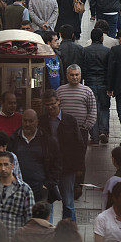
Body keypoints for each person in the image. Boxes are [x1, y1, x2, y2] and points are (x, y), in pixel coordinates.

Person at [41, 90, 87, 221]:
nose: (50, 107)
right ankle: (47, 231)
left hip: (67, 168)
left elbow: (79, 145)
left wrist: (80, 168)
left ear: (58, 101)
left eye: (52, 104)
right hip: (48, 169)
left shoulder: (70, 120)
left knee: (68, 202)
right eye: (47, 105)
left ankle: (69, 231)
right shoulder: (42, 121)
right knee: (47, 202)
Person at [8, 109, 61, 204]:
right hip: (18, 192)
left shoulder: (47, 140)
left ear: (37, 122)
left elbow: (57, 164)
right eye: (25, 121)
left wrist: (48, 185)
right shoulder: (13, 139)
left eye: (31, 121)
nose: (27, 124)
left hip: (41, 192)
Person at [0, 151, 34, 239]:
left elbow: (30, 220)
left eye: (6, 164)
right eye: (0, 165)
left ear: (12, 166)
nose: (3, 168)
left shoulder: (25, 190)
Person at [83, 27, 111, 144]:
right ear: (101, 38)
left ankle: (94, 136)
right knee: (104, 108)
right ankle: (103, 131)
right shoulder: (107, 51)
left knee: (92, 109)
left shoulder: (85, 51)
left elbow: (83, 67)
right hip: (103, 83)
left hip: (90, 83)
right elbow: (110, 70)